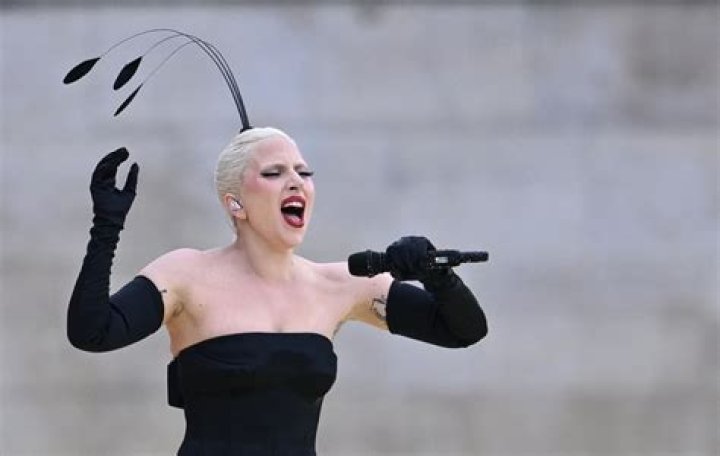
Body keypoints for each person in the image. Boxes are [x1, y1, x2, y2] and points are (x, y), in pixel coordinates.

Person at [67, 126, 488, 455]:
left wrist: (438, 277)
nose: (296, 182)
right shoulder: (185, 275)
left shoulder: (342, 284)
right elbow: (93, 331)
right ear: (235, 203)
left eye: (303, 173)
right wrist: (106, 227)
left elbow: (462, 330)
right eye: (274, 173)